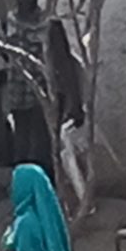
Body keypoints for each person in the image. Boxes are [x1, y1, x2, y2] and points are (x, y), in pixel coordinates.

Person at [0, 0, 54, 176]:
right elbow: (4, 50)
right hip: (15, 84)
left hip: (38, 85)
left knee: (38, 135)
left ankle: (41, 178)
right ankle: (19, 177)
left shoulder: (45, 22)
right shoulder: (10, 19)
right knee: (19, 132)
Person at [44, 19, 90, 216]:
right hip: (74, 116)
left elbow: (74, 91)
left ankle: (83, 202)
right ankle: (80, 201)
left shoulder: (65, 64)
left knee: (69, 160)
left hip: (73, 118)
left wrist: (72, 114)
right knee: (75, 161)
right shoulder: (65, 62)